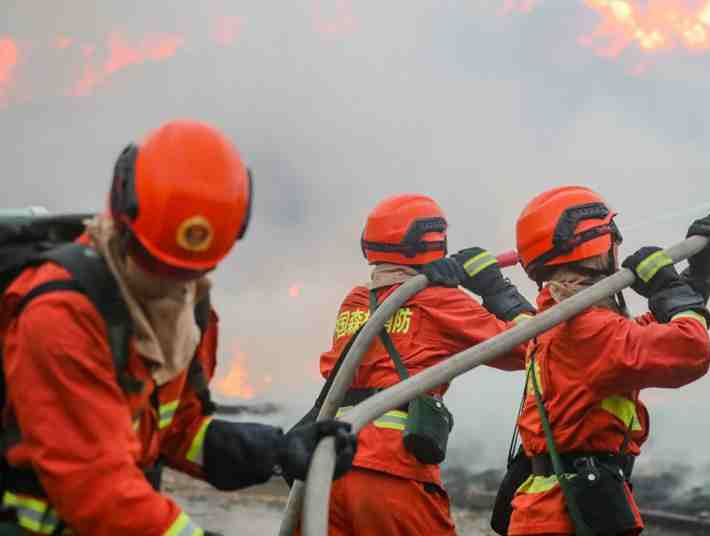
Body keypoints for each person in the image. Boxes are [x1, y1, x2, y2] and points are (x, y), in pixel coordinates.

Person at [0, 120, 356, 536]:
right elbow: (97, 486)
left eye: (187, 273)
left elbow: (179, 432)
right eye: (155, 267)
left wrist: (277, 451)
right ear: (124, 217)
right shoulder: (60, 313)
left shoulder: (185, 307)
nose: (171, 287)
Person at [294, 193, 535, 536]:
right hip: (391, 469)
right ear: (434, 242)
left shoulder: (355, 301)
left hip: (327, 467)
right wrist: (494, 286)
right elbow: (534, 347)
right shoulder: (439, 300)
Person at [508, 185, 710, 535]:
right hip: (572, 514)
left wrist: (696, 275)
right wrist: (668, 289)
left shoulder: (561, 315)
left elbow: (643, 338)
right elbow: (690, 349)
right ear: (597, 245)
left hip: (556, 509)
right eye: (613, 238)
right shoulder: (586, 328)